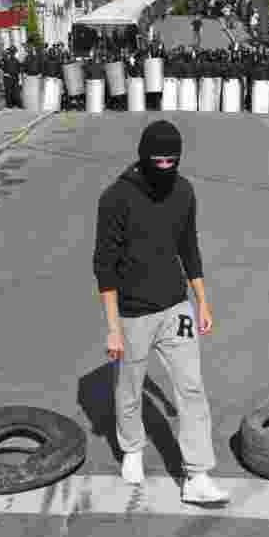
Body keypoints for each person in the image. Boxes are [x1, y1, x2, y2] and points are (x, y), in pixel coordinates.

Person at [93, 120, 230, 505]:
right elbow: (104, 266)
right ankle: (133, 447)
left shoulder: (184, 192)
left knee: (191, 388)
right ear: (144, 156)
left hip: (176, 305)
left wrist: (202, 300)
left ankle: (197, 475)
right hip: (133, 313)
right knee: (130, 386)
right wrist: (113, 327)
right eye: (159, 160)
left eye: (174, 159)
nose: (166, 166)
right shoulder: (116, 198)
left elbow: (190, 248)